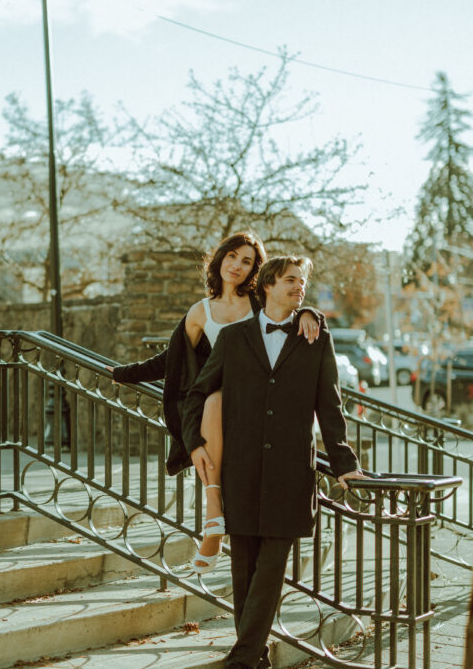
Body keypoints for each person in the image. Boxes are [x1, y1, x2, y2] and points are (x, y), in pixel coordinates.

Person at [181, 254, 364, 669]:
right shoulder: (236, 337)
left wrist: (343, 462)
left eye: (303, 281)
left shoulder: (315, 338)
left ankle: (237, 667)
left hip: (288, 472)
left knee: (270, 570)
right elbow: (199, 391)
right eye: (290, 280)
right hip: (240, 470)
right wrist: (195, 443)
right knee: (244, 572)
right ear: (266, 285)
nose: (299, 287)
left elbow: (330, 404)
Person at [107, 233, 321, 572]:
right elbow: (171, 359)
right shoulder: (199, 312)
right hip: (218, 398)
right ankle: (213, 515)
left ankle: (214, 523)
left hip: (260, 398)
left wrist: (310, 311)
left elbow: (286, 307)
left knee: (215, 403)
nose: (237, 265)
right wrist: (123, 373)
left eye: (247, 261)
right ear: (219, 259)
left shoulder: (258, 302)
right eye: (232, 256)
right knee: (212, 401)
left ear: (256, 270)